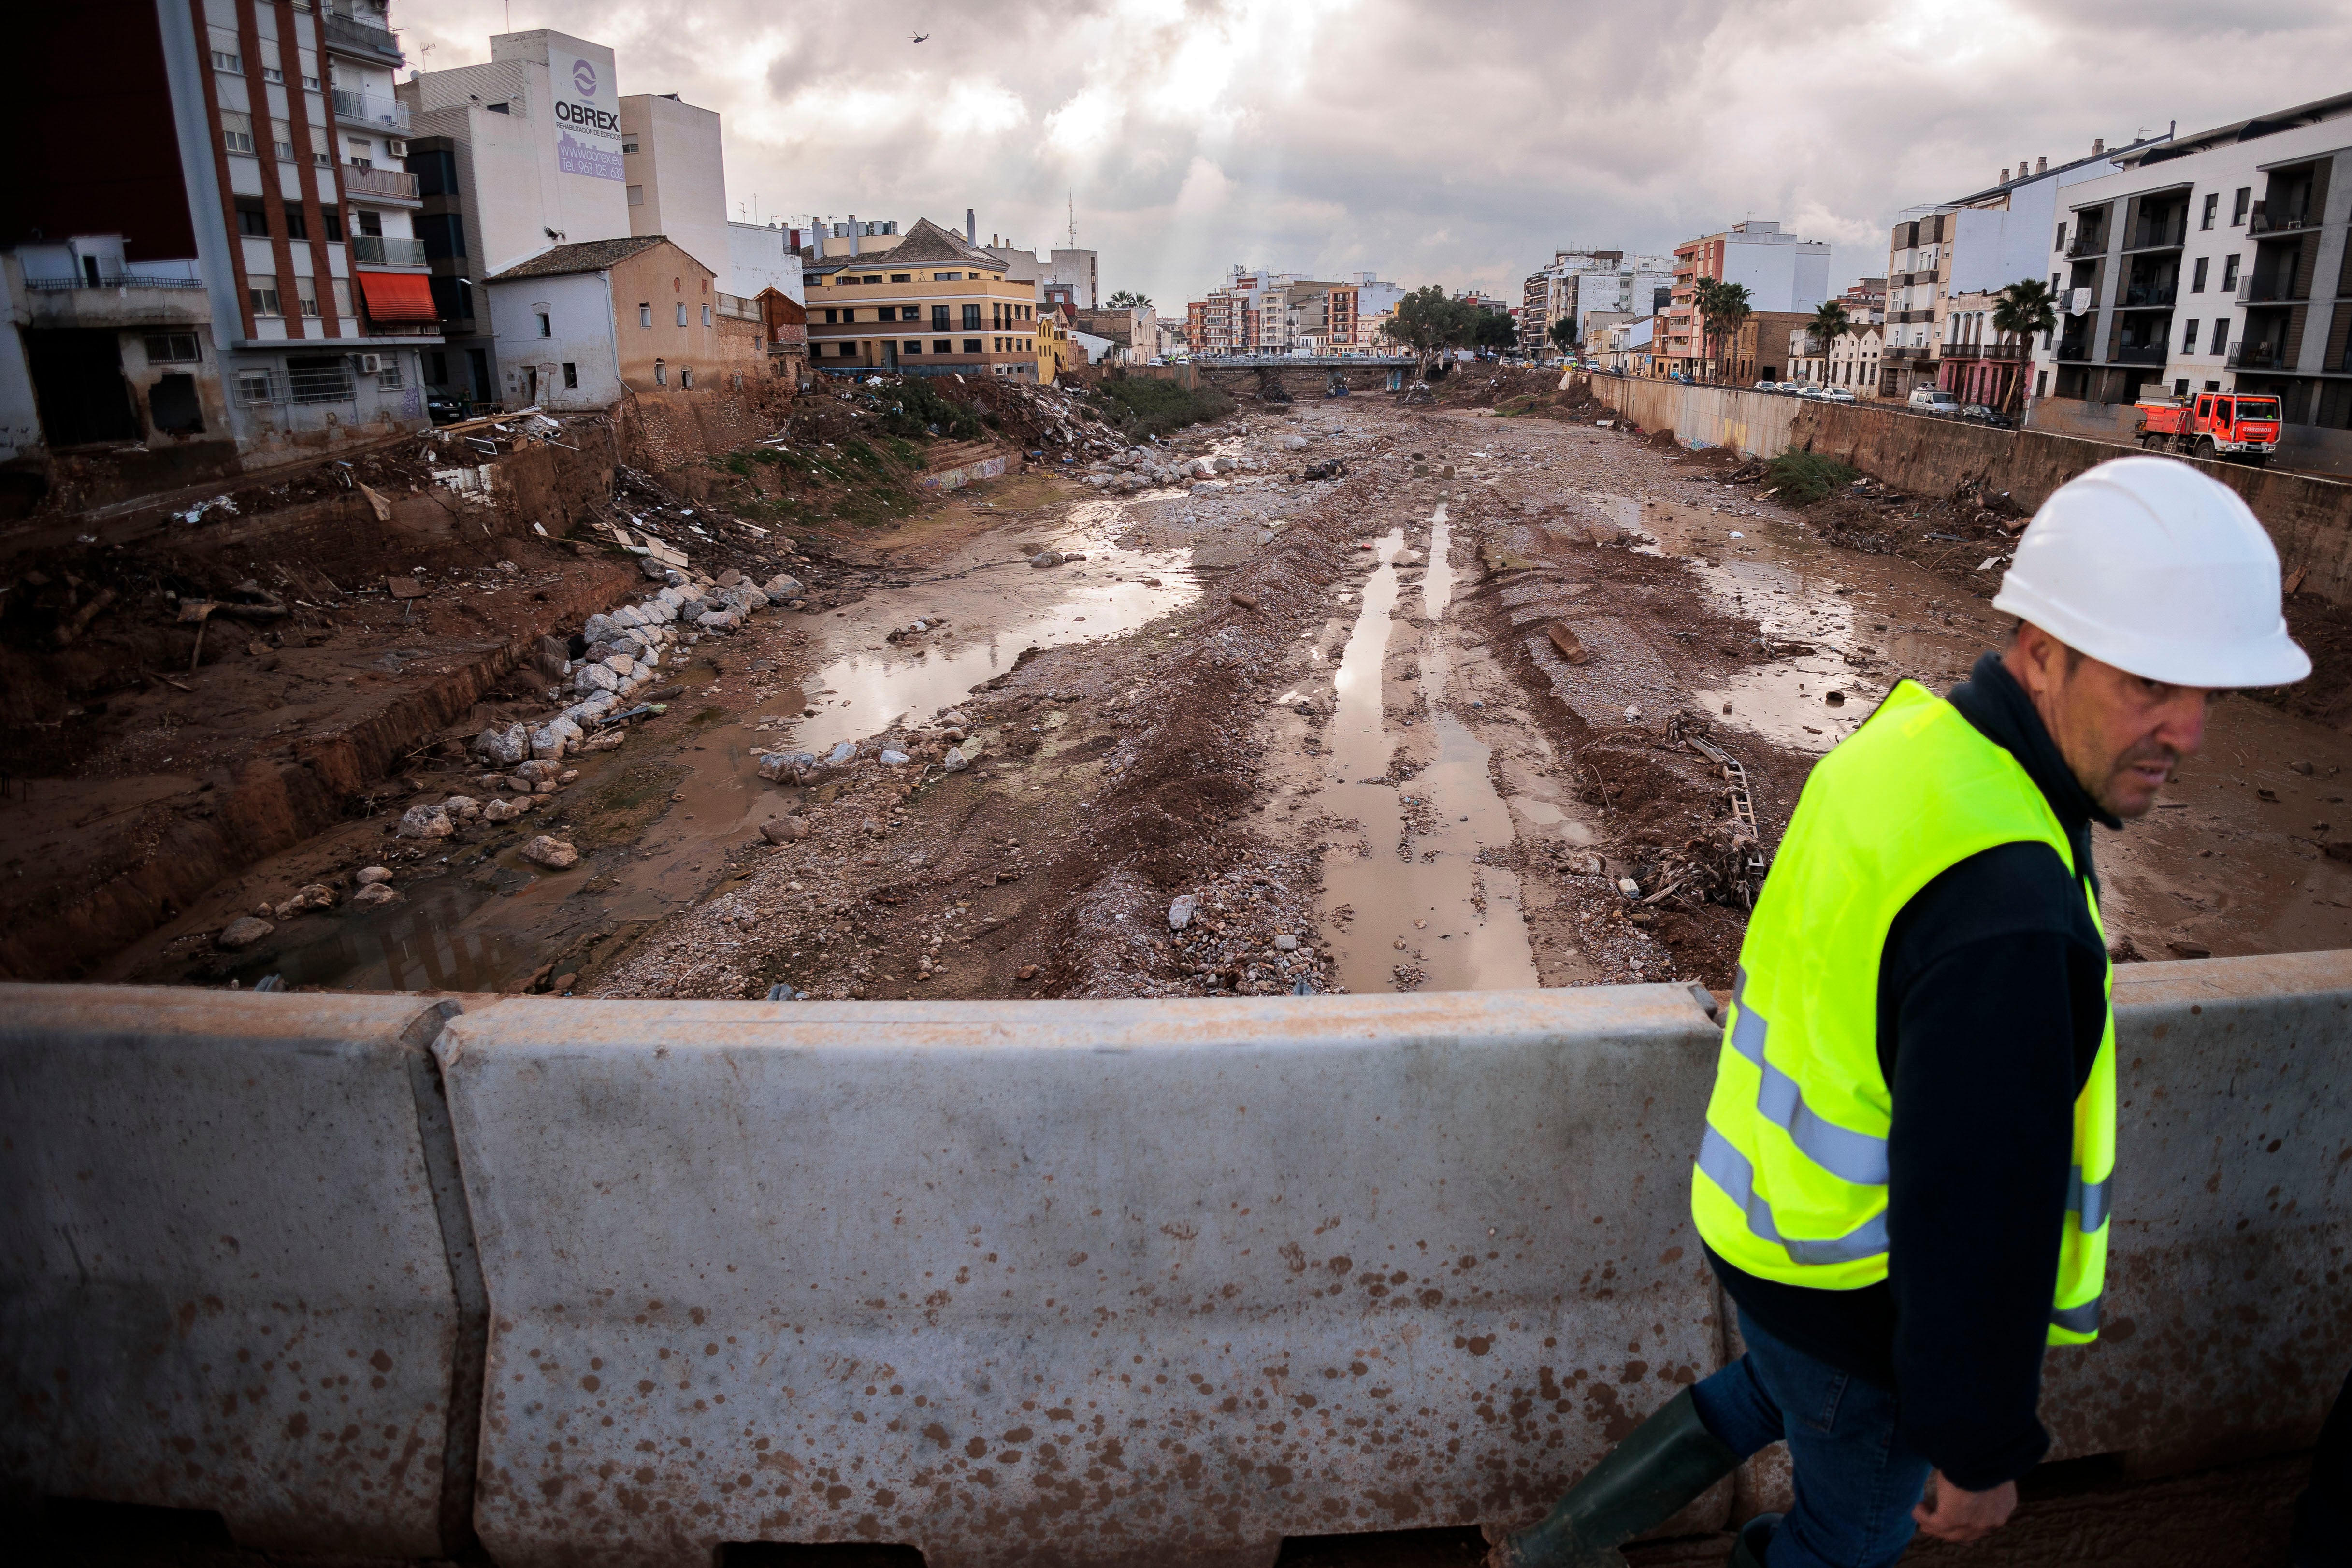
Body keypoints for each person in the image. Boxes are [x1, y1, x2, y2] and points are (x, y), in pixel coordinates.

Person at [1487, 456, 2310, 1568]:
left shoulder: (1911, 746)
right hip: (1856, 1299)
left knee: (1763, 1393)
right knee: (1844, 1537)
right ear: (2040, 653)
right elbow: (1975, 1218)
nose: (2190, 732)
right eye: (2147, 686)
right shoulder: (2008, 907)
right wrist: (1977, 1452)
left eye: (2206, 693)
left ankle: (1551, 1551)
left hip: (1762, 1224)